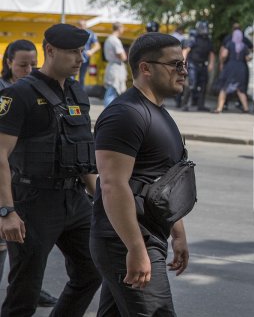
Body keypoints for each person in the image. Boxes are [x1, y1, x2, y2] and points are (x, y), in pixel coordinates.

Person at [0, 24, 101, 316]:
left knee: (92, 271)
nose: (80, 59)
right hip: (33, 201)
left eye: (82, 51)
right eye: (72, 52)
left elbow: (83, 154)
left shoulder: (76, 93)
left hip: (75, 200)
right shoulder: (19, 95)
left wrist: (103, 202)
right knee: (24, 293)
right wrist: (6, 211)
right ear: (50, 50)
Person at [91, 32, 191, 316]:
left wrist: (178, 234)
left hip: (148, 236)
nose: (183, 71)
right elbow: (112, 185)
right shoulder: (126, 114)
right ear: (146, 68)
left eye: (183, 64)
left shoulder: (159, 113)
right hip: (125, 240)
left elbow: (165, 181)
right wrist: (135, 249)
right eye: (175, 65)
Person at [0, 40, 59, 307]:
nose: (28, 69)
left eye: (33, 64)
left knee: (25, 245)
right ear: (9, 62)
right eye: (23, 64)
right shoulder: (6, 94)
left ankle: (30, 290)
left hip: (23, 178)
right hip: (5, 175)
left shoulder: (39, 90)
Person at [213, 24, 253, 113]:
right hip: (241, 68)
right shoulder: (244, 46)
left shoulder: (229, 43)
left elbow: (224, 55)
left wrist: (222, 62)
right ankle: (246, 108)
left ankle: (219, 108)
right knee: (240, 89)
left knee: (224, 88)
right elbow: (248, 58)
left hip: (230, 67)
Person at [181, 20, 215, 112]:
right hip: (193, 65)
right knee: (192, 84)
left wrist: (211, 63)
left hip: (203, 65)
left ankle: (201, 105)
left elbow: (211, 53)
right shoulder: (193, 38)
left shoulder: (208, 40)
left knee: (203, 84)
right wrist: (183, 63)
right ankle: (185, 104)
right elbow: (186, 50)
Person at [103, 22, 127, 106]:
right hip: (115, 67)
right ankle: (108, 113)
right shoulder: (115, 40)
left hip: (112, 66)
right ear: (119, 28)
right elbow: (122, 56)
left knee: (113, 92)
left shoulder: (109, 39)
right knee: (112, 91)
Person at [78, 20, 101, 87]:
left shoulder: (90, 34)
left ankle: (80, 95)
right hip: (74, 58)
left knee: (82, 78)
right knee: (71, 77)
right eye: (80, 26)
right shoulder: (74, 33)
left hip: (85, 59)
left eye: (83, 26)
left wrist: (91, 51)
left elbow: (97, 46)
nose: (81, 27)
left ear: (86, 26)